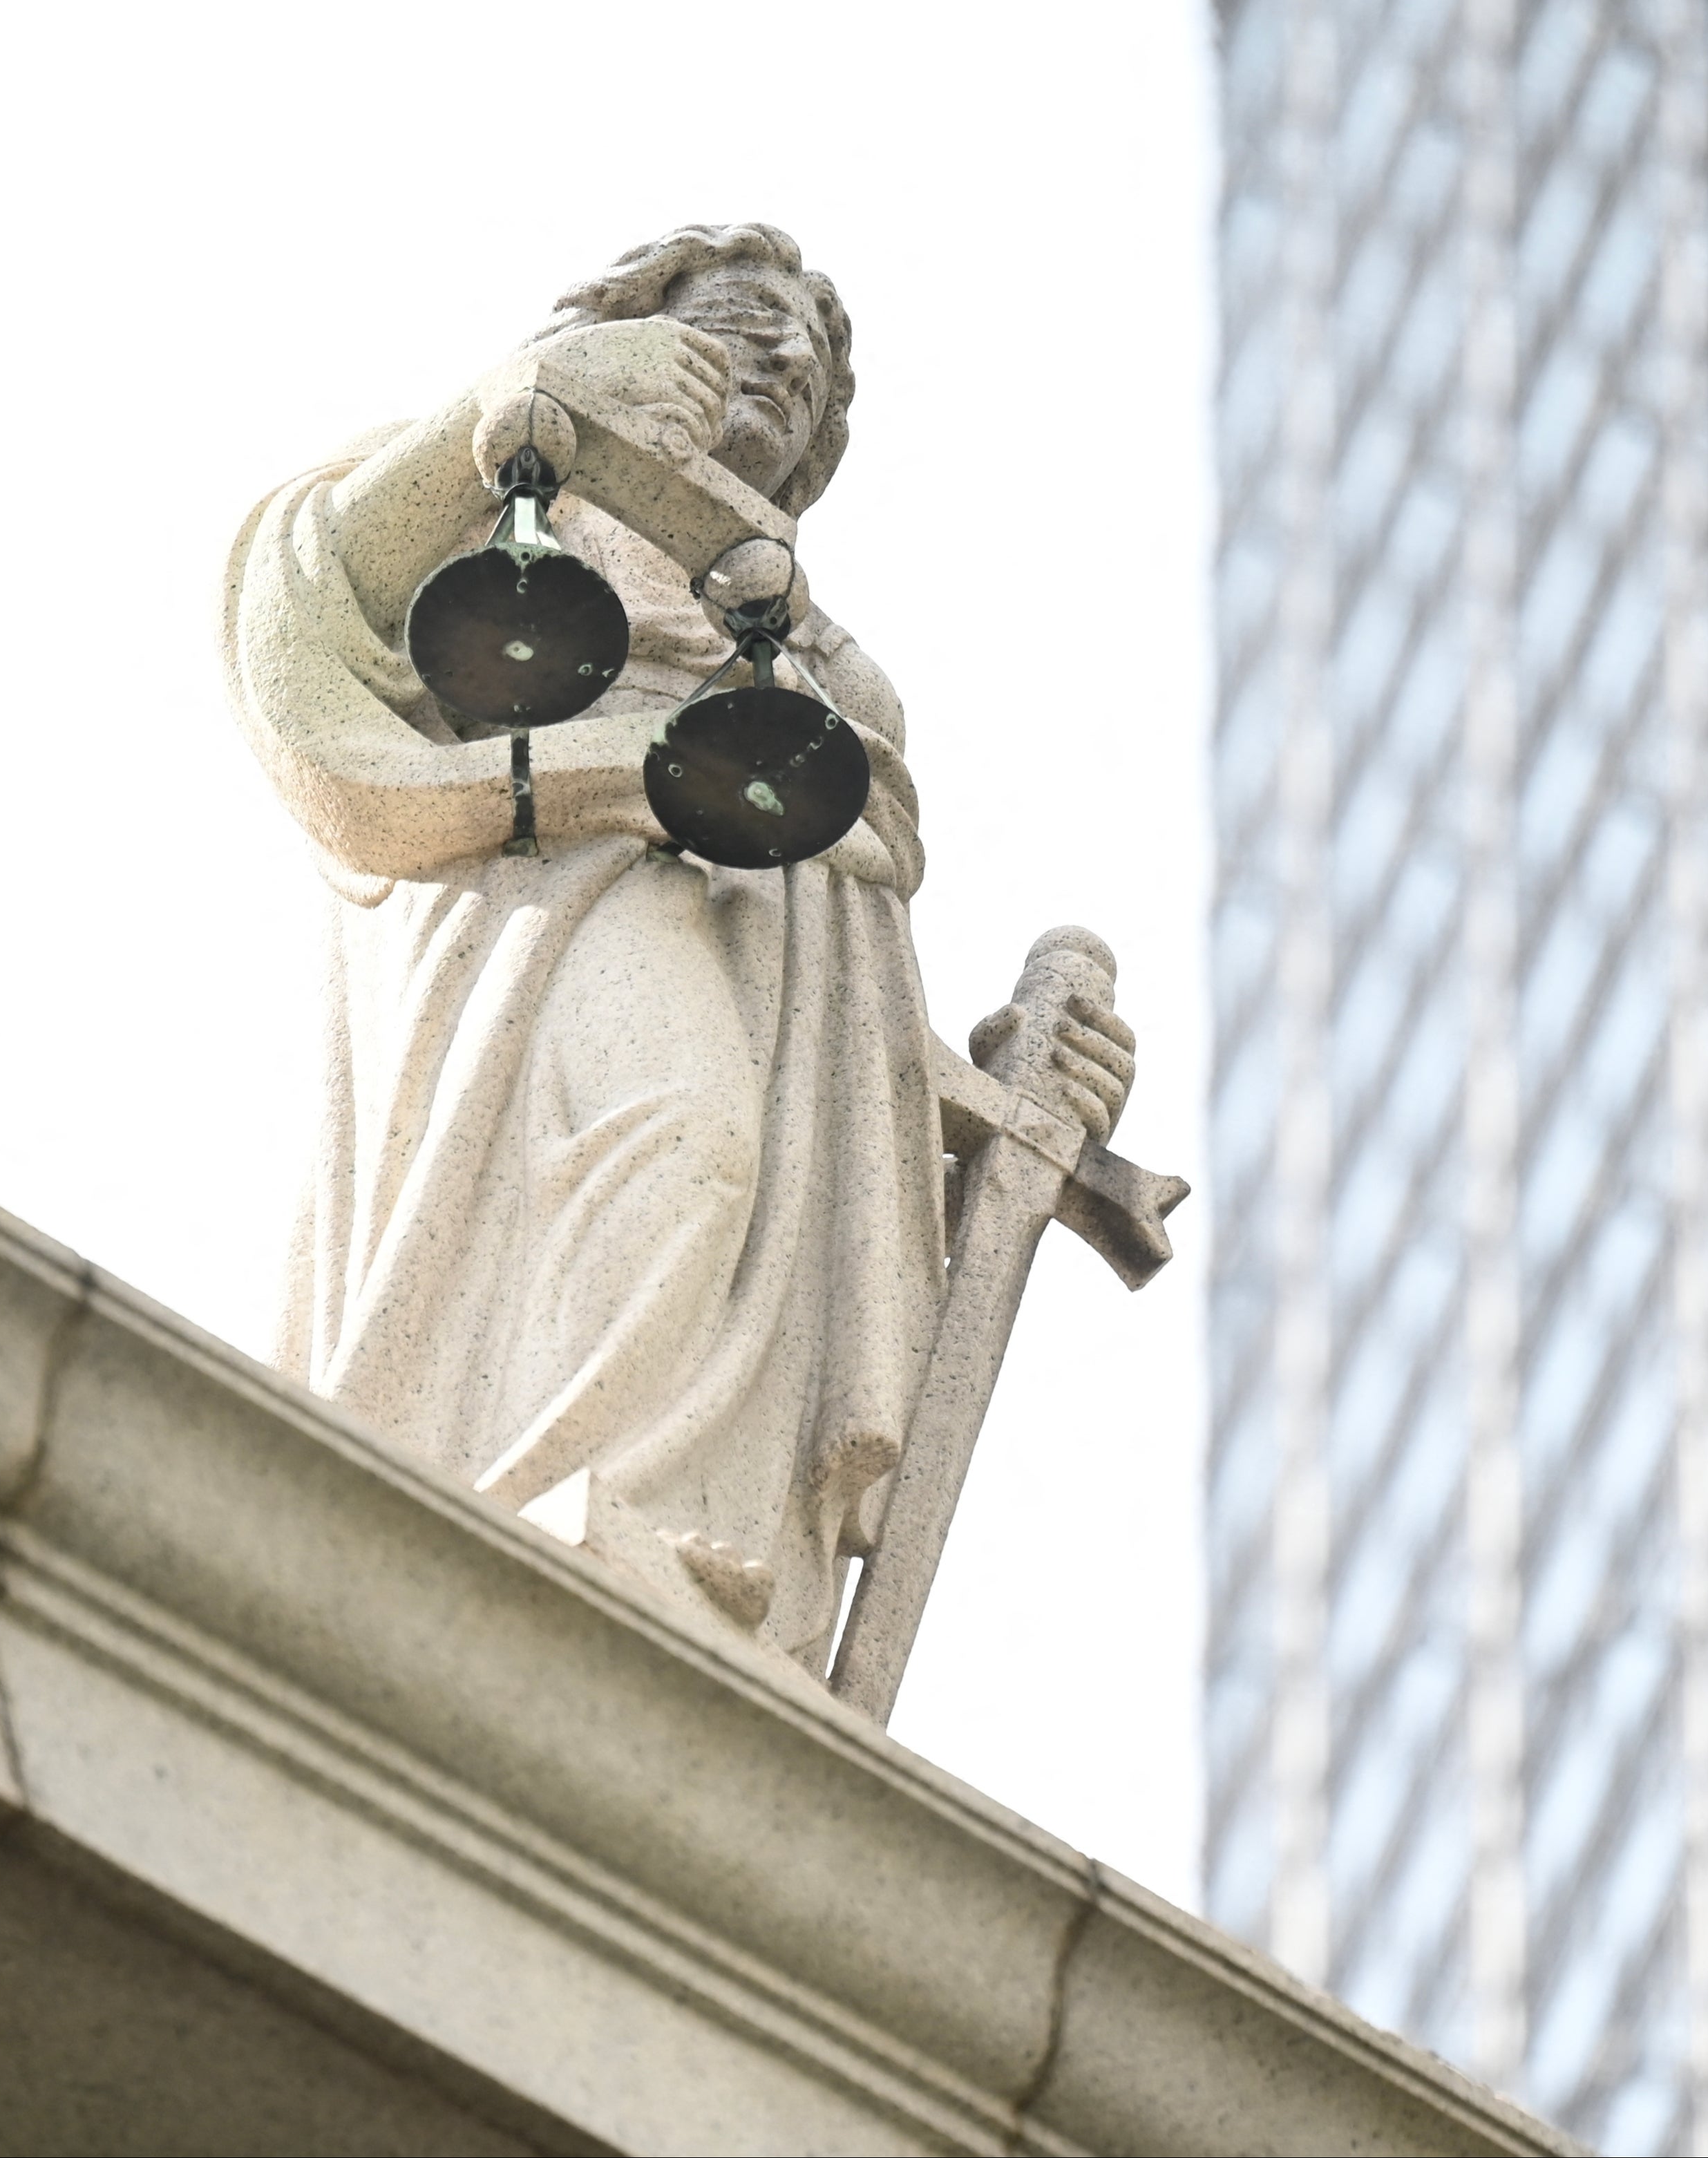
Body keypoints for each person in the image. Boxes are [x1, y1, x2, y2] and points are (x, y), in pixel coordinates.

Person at [225, 224, 1130, 1672]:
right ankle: (558, 1499)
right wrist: (520, 400)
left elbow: (828, 1021)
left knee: (731, 1166)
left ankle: (666, 1521)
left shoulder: (821, 669)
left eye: (814, 358)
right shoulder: (500, 522)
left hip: (759, 987)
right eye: (740, 317)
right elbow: (301, 630)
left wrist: (1007, 1108)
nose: (782, 354)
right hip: (552, 909)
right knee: (679, 1140)